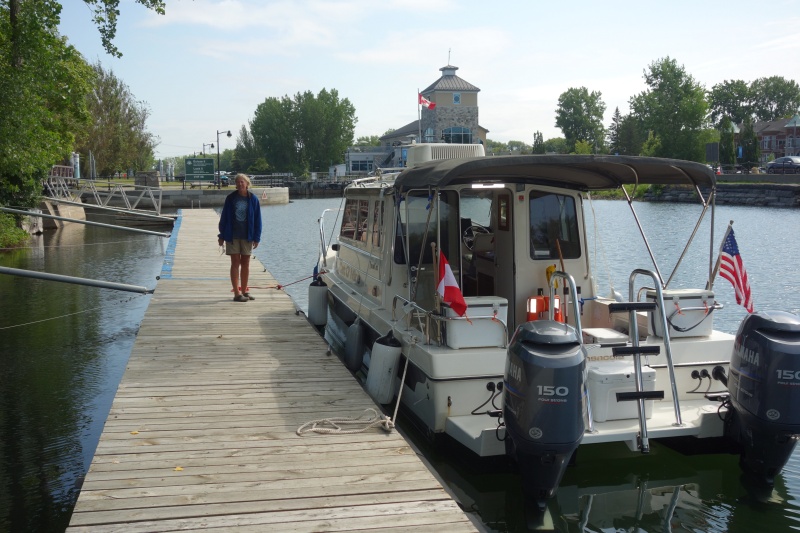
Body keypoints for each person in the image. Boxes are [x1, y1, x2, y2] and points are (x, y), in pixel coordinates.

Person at [218, 174, 262, 302]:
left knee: (246, 263)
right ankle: (237, 293)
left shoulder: (253, 199)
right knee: (235, 263)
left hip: (247, 236)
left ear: (247, 184)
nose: (240, 184)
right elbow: (224, 218)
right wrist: (221, 235)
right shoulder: (231, 198)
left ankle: (244, 290)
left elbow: (258, 220)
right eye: (237, 182)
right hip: (233, 236)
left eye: (242, 182)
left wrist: (257, 237)